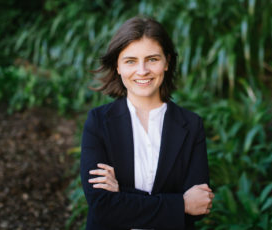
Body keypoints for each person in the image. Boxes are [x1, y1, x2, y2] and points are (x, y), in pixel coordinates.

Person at [80, 16, 214, 230]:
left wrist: (121, 194)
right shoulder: (98, 122)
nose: (142, 71)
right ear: (118, 66)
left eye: (152, 59)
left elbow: (198, 207)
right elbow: (102, 206)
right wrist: (180, 204)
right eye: (130, 61)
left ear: (167, 62)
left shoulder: (191, 125)